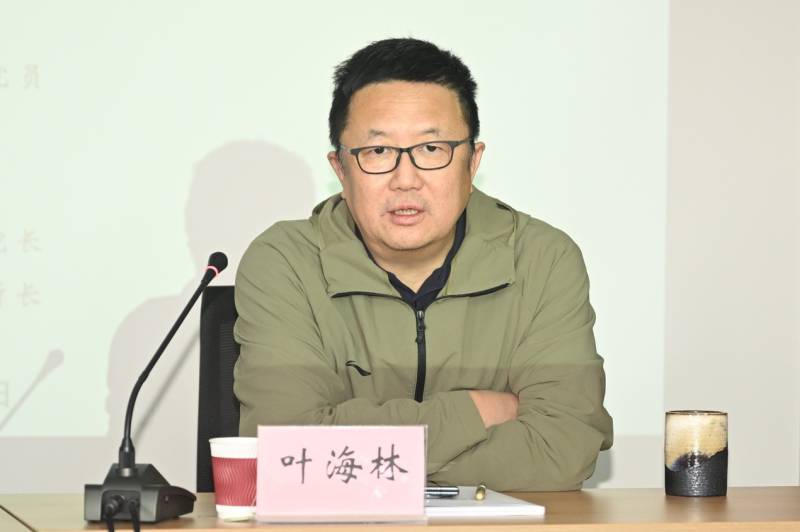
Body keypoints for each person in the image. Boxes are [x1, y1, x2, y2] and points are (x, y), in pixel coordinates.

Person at [233, 38, 613, 491]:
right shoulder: (286, 262)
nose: (406, 179)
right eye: (378, 152)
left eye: (432, 149)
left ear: (473, 162)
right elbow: (284, 455)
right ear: (340, 169)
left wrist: (351, 458)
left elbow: (562, 451)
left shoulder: (542, 259)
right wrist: (476, 411)